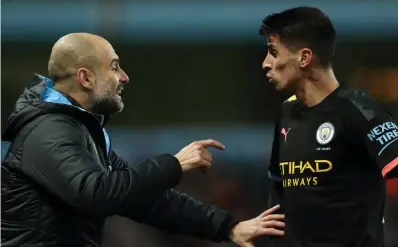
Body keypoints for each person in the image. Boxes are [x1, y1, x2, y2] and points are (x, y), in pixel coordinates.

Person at [1, 33, 285, 247]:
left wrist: (228, 228)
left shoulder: (80, 129)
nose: (124, 77)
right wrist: (174, 164)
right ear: (85, 78)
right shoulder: (48, 129)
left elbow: (144, 200)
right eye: (114, 67)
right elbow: (96, 195)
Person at [258, 6, 398, 247]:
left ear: (304, 58)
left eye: (273, 52)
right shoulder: (286, 112)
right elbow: (278, 192)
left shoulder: (358, 109)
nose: (265, 64)